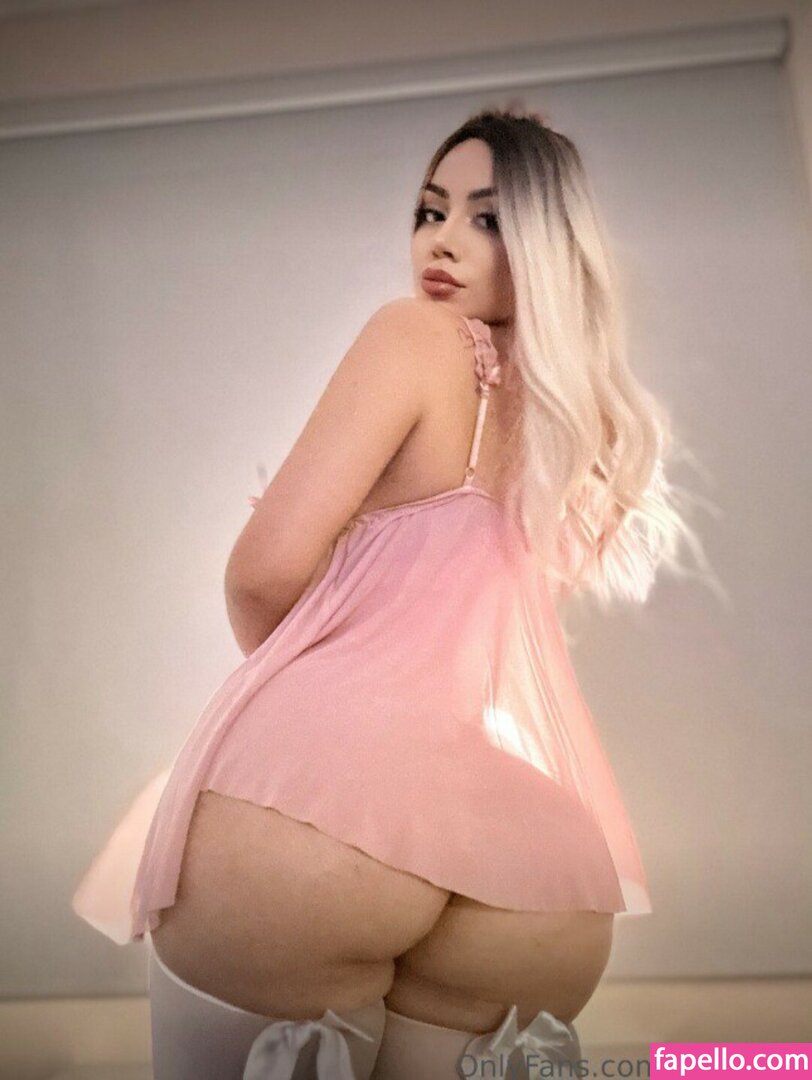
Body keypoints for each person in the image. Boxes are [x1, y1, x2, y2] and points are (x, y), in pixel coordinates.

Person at [72, 102, 715, 1079]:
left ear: (548, 241)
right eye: (429, 210)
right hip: (533, 864)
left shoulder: (415, 336)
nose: (441, 241)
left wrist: (311, 699)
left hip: (321, 823)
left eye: (486, 217)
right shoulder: (565, 417)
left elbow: (261, 571)